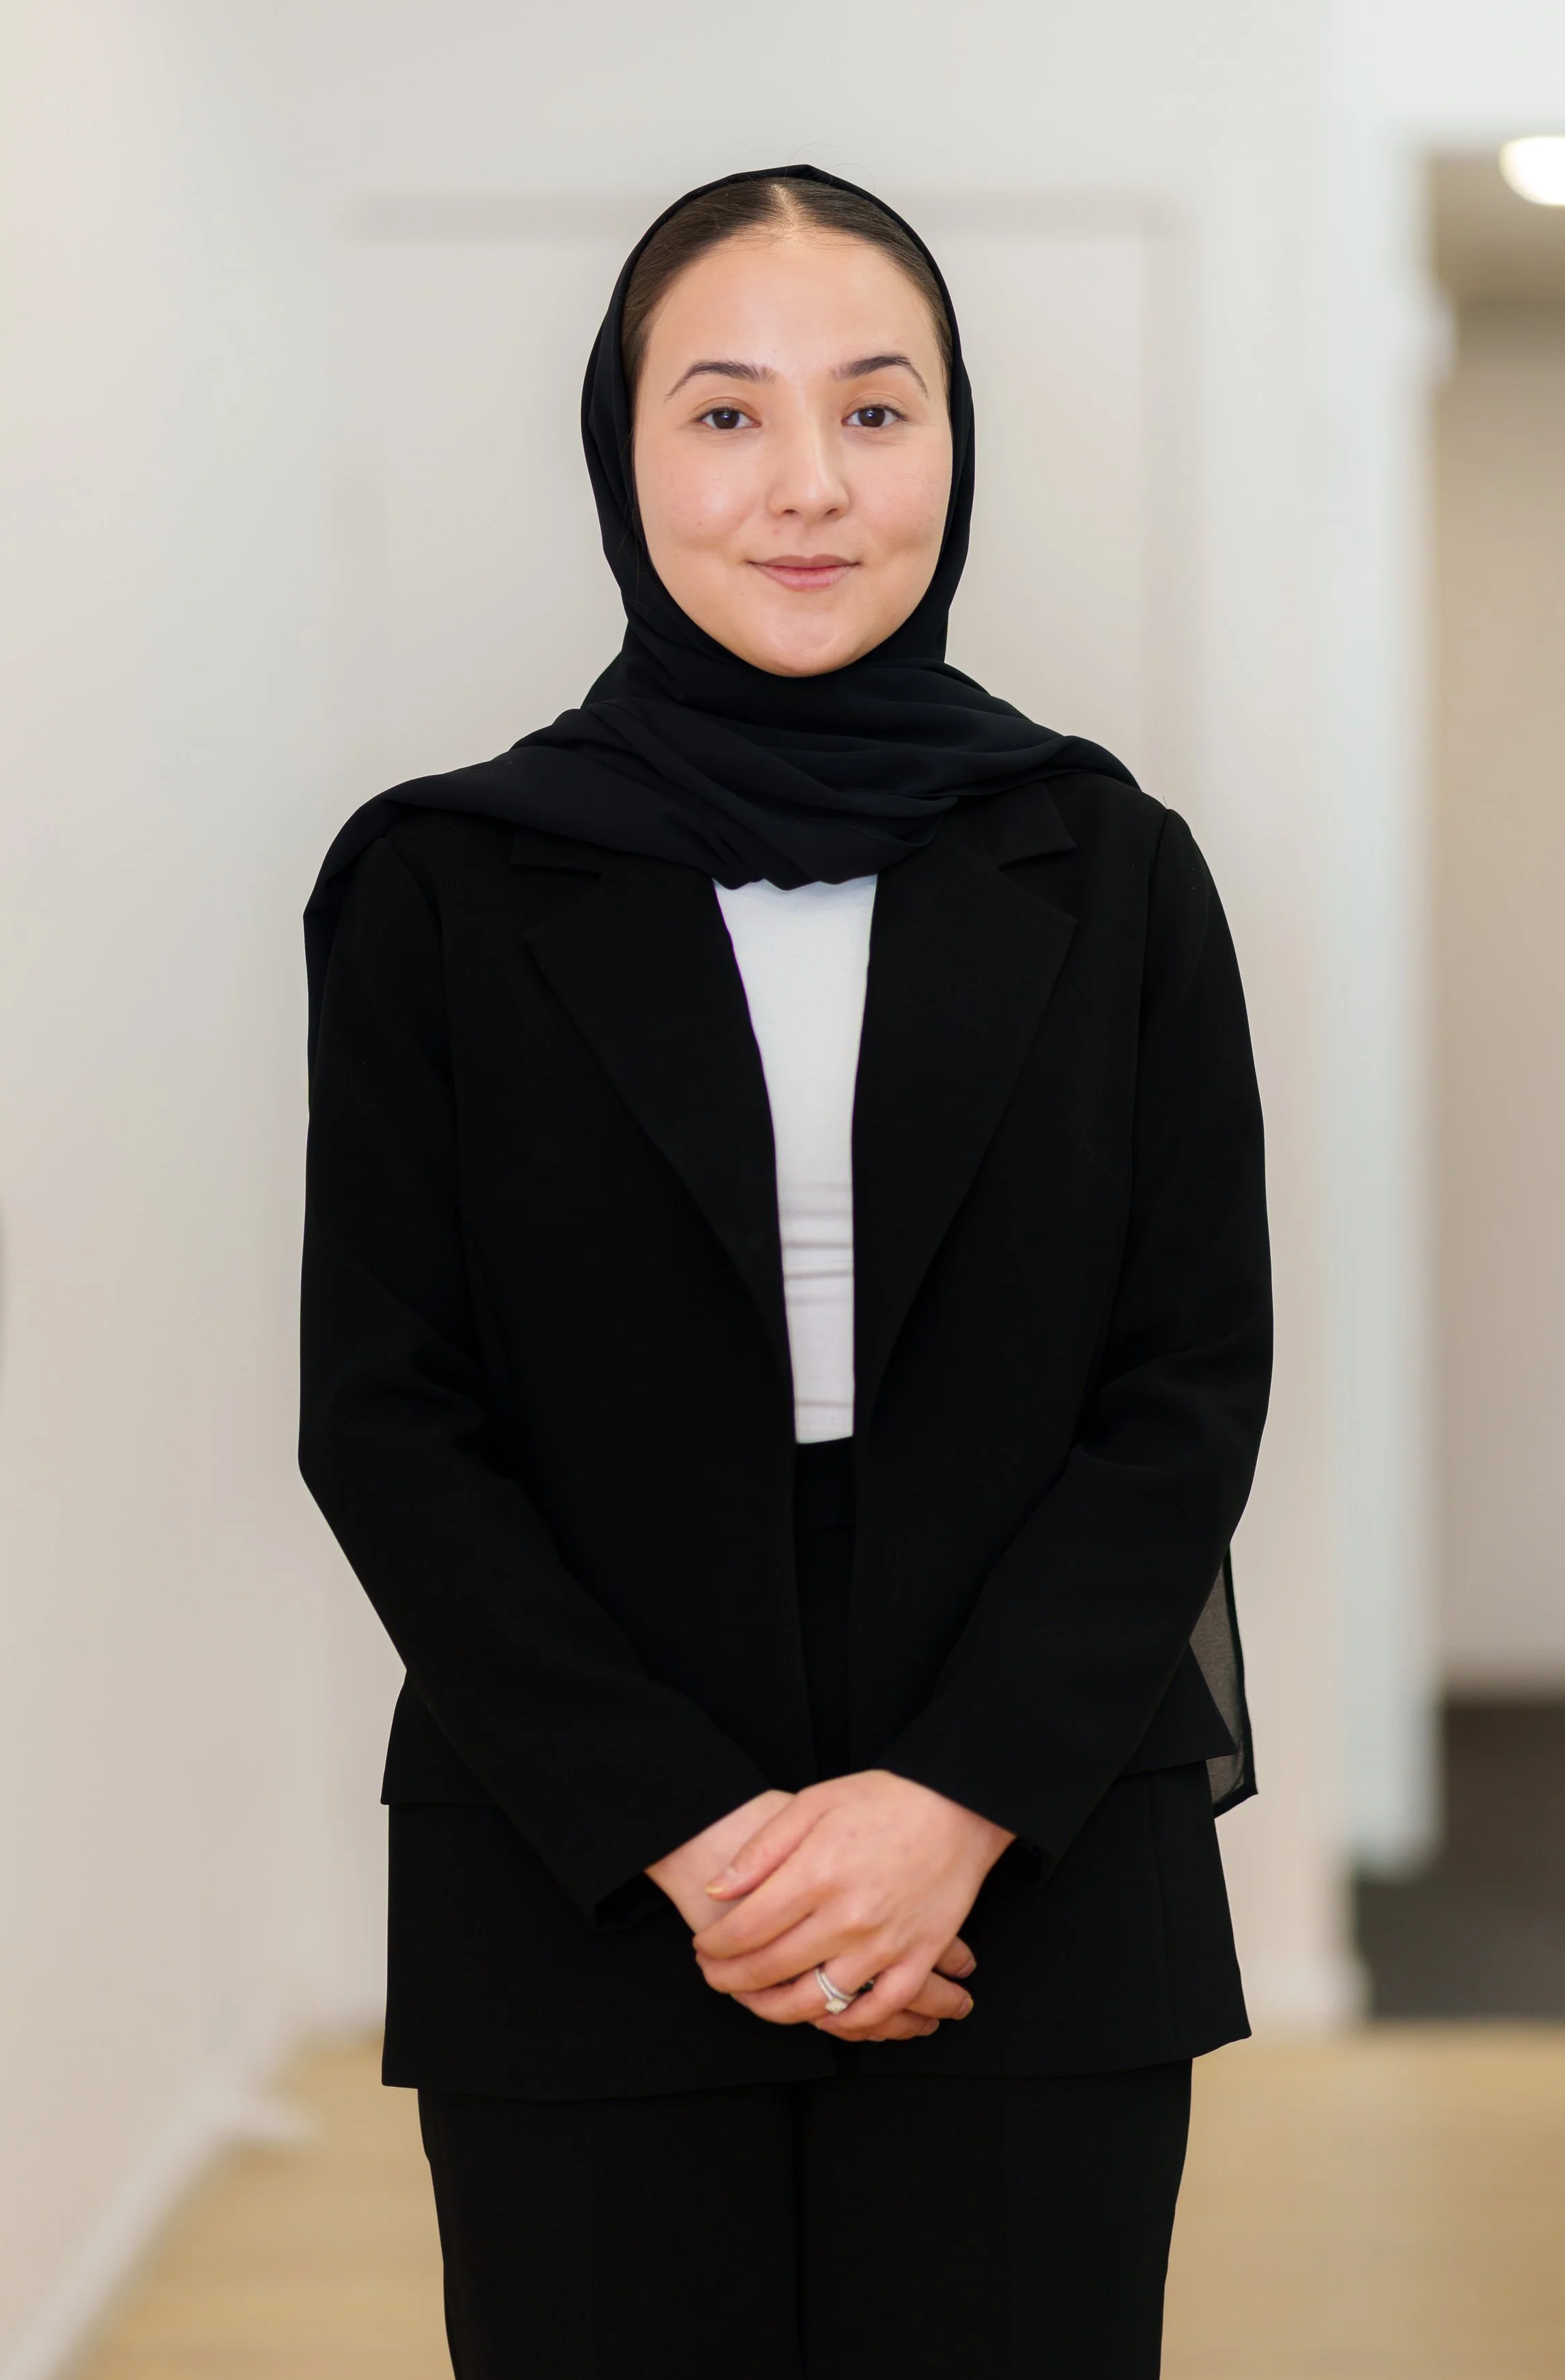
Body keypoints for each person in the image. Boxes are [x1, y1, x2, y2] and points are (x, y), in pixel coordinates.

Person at [300, 165, 1270, 2379]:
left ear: (956, 444)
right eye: (725, 415)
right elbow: (388, 1410)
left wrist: (943, 1814)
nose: (808, 487)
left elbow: (1183, 1383)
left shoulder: (1107, 865)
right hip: (588, 1862)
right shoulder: (443, 883)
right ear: (619, 456)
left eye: (878, 408)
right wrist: (704, 1841)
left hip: (1027, 1855)